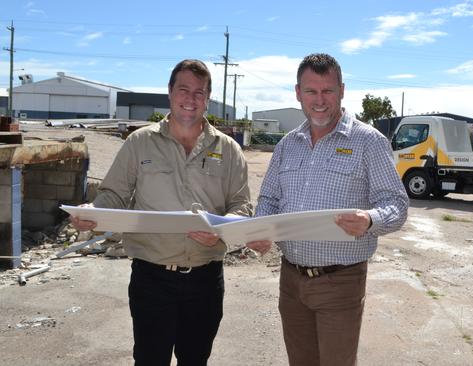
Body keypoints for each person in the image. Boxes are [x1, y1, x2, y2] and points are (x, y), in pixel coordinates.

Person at [70, 59, 252, 365]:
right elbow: (113, 194)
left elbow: (242, 207)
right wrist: (93, 213)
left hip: (205, 280)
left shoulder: (229, 150)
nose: (190, 99)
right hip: (151, 278)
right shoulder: (140, 143)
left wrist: (221, 232)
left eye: (199, 92)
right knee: (150, 359)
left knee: (195, 360)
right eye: (184, 89)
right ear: (170, 93)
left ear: (208, 99)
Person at [247, 53, 409, 366]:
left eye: (327, 91)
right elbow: (268, 199)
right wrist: (260, 229)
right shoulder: (287, 145)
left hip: (340, 282)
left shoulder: (368, 142)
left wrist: (370, 220)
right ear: (298, 94)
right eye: (311, 91)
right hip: (291, 280)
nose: (319, 100)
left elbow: (397, 204)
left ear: (342, 90)